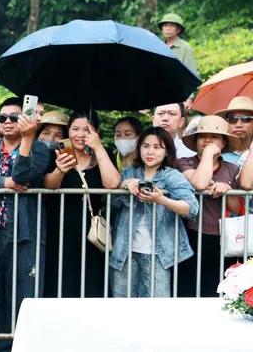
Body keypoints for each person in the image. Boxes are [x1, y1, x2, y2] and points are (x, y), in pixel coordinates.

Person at [0, 97, 52, 352]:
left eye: (13, 117)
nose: (7, 122)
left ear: (26, 119)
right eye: (2, 117)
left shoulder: (41, 149)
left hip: (25, 232)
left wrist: (28, 139)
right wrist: (1, 183)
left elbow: (24, 175)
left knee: (22, 293)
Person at [109, 127, 197, 297]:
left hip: (159, 253)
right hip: (125, 250)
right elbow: (111, 203)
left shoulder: (171, 176)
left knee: (156, 306)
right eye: (145, 146)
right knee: (122, 305)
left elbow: (191, 208)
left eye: (157, 147)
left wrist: (162, 200)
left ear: (166, 152)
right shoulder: (129, 172)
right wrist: (124, 184)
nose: (150, 151)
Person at [40, 112, 119, 300]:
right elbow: (48, 185)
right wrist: (60, 170)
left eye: (87, 129)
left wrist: (98, 147)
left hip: (92, 232)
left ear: (96, 132)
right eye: (75, 129)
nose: (80, 134)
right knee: (61, 282)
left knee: (91, 284)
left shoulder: (103, 153)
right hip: (60, 229)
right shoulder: (60, 151)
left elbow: (112, 183)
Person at [177, 116, 241, 298]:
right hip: (191, 235)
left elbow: (236, 208)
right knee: (189, 289)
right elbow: (199, 182)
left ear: (224, 142)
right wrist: (207, 155)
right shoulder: (184, 162)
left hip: (223, 238)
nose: (208, 141)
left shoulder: (231, 168)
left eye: (215, 137)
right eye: (203, 136)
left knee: (218, 289)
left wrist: (227, 189)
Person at [217, 97, 253, 165]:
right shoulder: (216, 153)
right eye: (232, 119)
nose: (238, 124)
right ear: (226, 123)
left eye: (246, 119)